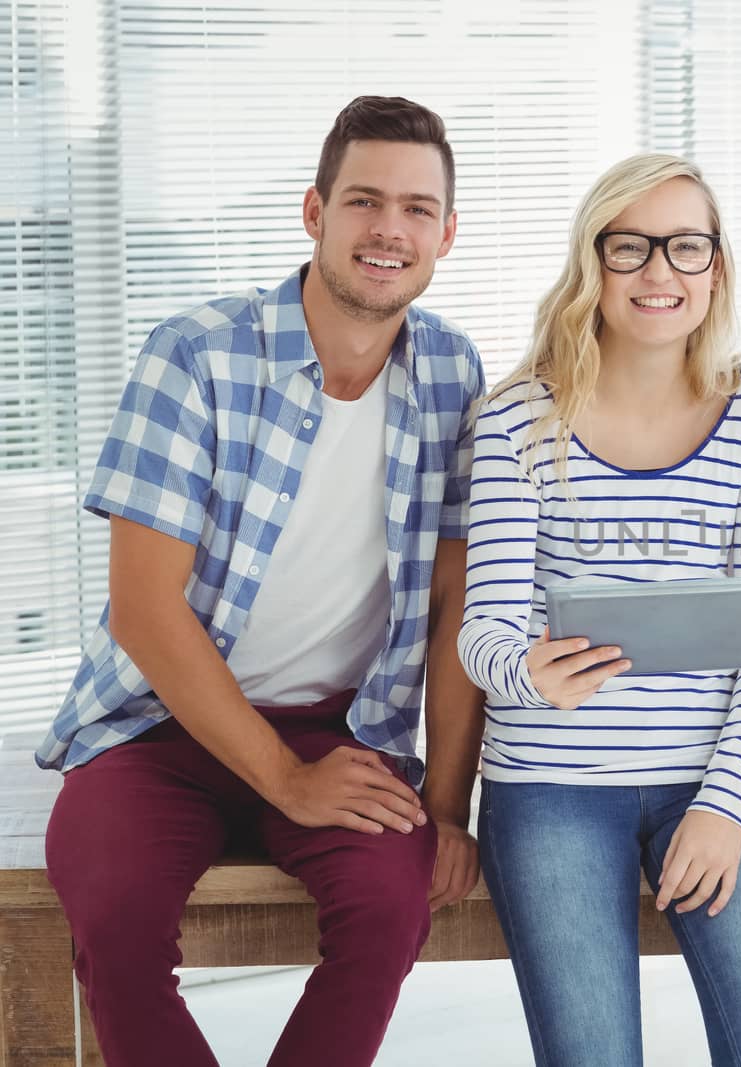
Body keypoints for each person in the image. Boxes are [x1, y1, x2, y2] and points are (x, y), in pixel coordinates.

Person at [36, 95, 486, 1067]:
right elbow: (148, 611)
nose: (388, 229)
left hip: (341, 727)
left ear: (447, 233)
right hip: (161, 724)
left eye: (416, 208)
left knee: (388, 907)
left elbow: (458, 607)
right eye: (364, 200)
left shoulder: (453, 371)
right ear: (315, 213)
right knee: (111, 923)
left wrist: (446, 805)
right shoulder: (197, 353)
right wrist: (284, 777)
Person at [456, 153, 741, 1067]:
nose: (660, 271)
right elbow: (483, 630)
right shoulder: (515, 421)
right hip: (552, 788)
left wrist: (728, 801)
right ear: (595, 263)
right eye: (632, 247)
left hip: (716, 775)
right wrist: (523, 671)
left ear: (716, 269)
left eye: (685, 247)